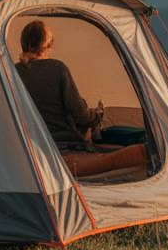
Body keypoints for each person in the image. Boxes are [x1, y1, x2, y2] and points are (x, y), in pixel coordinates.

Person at [15, 19, 147, 178]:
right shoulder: (57, 69)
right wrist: (96, 117)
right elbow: (80, 114)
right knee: (141, 152)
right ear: (47, 45)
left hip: (30, 155)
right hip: (65, 153)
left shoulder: (13, 72)